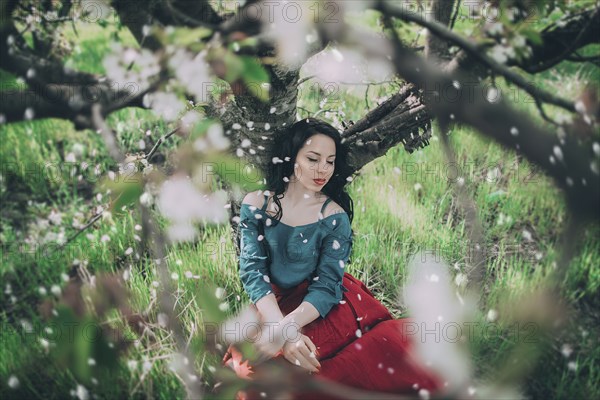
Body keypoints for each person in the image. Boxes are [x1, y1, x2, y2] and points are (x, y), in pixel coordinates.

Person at [221, 118, 442, 399]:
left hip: (321, 303)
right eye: (313, 158)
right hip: (271, 305)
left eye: (330, 161)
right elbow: (252, 271)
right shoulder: (256, 204)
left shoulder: (333, 215)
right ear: (292, 158)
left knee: (308, 375)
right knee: (251, 374)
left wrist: (289, 329)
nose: (323, 169)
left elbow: (327, 285)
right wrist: (280, 328)